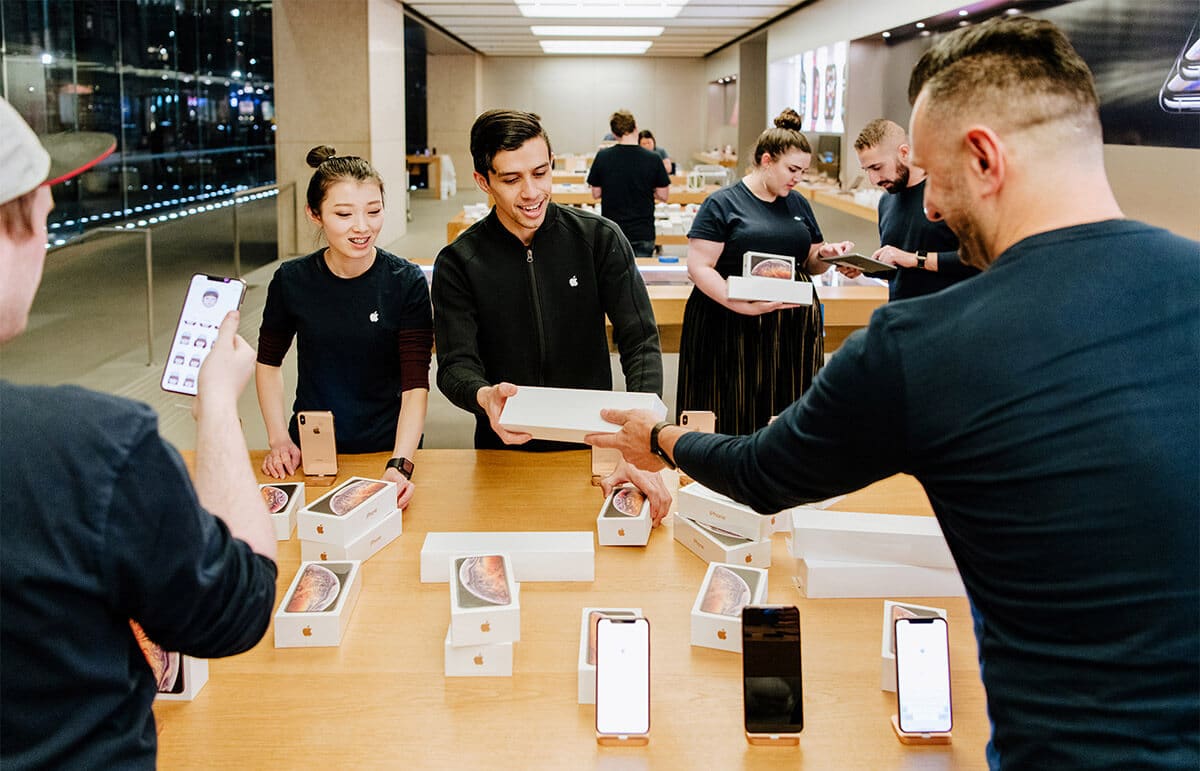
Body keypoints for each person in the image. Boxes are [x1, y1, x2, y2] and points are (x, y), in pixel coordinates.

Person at [590, 17, 1198, 769]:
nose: (932, 207)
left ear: (983, 157)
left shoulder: (921, 346)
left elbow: (760, 473)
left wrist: (656, 435)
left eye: (934, 178)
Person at [0, 97, 278, 769]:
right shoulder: (83, 449)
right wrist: (216, 403)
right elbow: (237, 604)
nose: (46, 225)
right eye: (39, 209)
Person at [432, 109, 670, 521]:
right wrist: (483, 395)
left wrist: (642, 431)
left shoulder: (598, 238)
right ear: (482, 181)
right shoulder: (460, 261)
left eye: (541, 173)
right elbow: (455, 365)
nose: (531, 192)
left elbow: (641, 339)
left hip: (596, 448)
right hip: (502, 447)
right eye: (511, 179)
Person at [256, 146, 431, 507]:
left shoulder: (405, 281)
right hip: (312, 449)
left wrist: (401, 462)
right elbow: (268, 364)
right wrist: (278, 440)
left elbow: (416, 385)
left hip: (388, 448)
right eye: (343, 214)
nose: (362, 227)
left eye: (374, 211)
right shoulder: (292, 280)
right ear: (315, 214)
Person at [675, 107, 853, 435]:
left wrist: (826, 254)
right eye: (792, 169)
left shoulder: (798, 203)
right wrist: (735, 301)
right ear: (767, 160)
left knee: (786, 413)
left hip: (790, 330)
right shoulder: (723, 203)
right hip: (728, 323)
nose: (797, 178)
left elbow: (810, 259)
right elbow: (699, 267)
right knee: (729, 410)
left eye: (802, 171)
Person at [852, 118, 979, 300]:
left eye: (877, 167)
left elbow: (977, 261)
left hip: (948, 316)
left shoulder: (950, 193)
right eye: (867, 170)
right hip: (901, 316)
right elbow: (899, 270)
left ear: (904, 152)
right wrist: (865, 268)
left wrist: (914, 259)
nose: (874, 180)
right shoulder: (886, 201)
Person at [586, 110, 671, 259]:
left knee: (613, 279)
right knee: (641, 277)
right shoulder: (653, 158)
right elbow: (664, 195)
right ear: (636, 127)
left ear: (614, 133)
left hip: (612, 230)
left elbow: (596, 193)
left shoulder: (603, 157)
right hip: (643, 231)